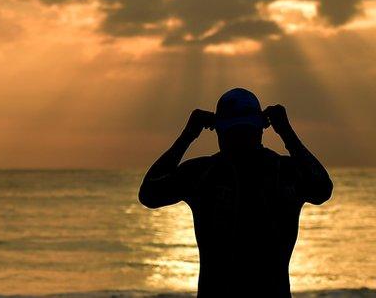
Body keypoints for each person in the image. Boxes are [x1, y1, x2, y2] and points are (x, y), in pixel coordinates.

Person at [139, 88, 333, 297]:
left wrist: (188, 135)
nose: (239, 140)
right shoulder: (285, 172)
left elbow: (150, 192)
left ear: (219, 130)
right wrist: (286, 132)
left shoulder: (203, 174)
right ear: (261, 128)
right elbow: (322, 188)